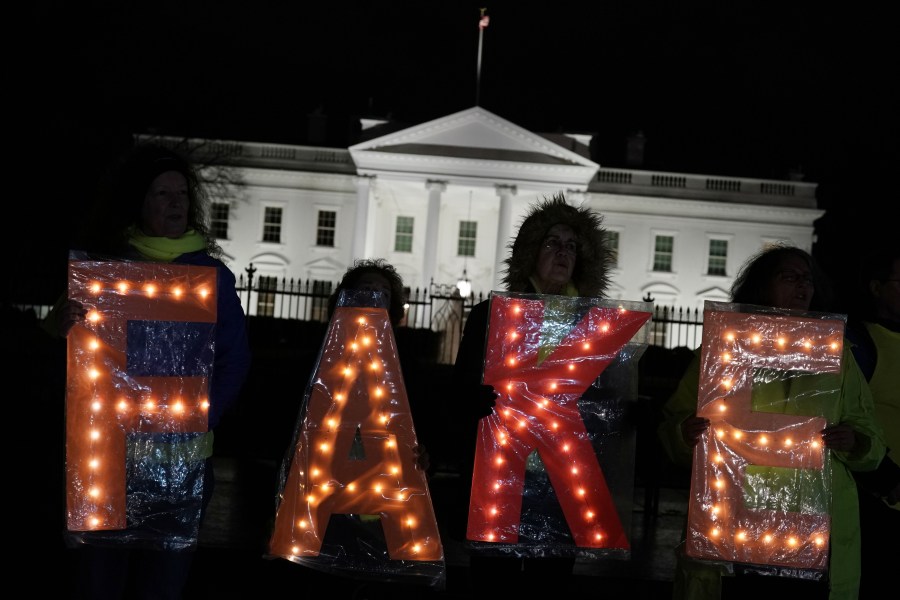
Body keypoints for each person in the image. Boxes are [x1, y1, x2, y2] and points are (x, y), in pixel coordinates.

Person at [45, 142, 251, 599]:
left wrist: (201, 415)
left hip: (183, 461)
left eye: (181, 193)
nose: (175, 202)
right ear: (138, 202)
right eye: (162, 194)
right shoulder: (105, 268)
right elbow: (63, 332)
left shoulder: (211, 275)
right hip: (107, 459)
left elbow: (234, 360)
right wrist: (59, 324)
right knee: (99, 583)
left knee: (162, 587)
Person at [657, 244, 886, 600]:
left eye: (807, 279)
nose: (802, 286)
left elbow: (869, 432)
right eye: (789, 276)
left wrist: (856, 442)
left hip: (811, 534)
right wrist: (682, 433)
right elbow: (676, 421)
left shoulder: (839, 352)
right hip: (736, 529)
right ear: (762, 286)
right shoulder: (724, 347)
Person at [450, 192, 615, 596]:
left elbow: (607, 398)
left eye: (572, 246)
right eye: (552, 243)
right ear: (530, 252)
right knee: (493, 582)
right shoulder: (491, 315)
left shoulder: (594, 325)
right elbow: (461, 389)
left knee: (550, 583)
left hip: (563, 477)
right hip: (500, 473)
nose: (563, 253)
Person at [845, 248, 900, 598]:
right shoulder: (860, 342)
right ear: (876, 287)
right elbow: (847, 417)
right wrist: (884, 477)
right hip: (879, 502)